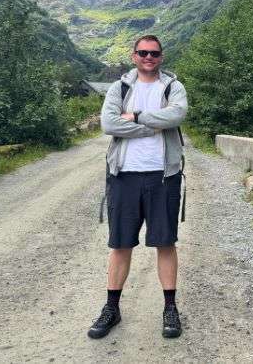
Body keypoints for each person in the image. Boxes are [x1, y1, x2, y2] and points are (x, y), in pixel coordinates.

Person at [88, 34, 188, 340]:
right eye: (143, 52)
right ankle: (111, 308)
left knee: (165, 242)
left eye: (154, 53)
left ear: (161, 56)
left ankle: (170, 309)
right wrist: (154, 125)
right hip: (123, 176)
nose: (148, 57)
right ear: (134, 56)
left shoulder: (173, 86)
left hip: (163, 176)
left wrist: (138, 117)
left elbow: (178, 115)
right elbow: (109, 124)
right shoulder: (120, 88)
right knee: (120, 244)